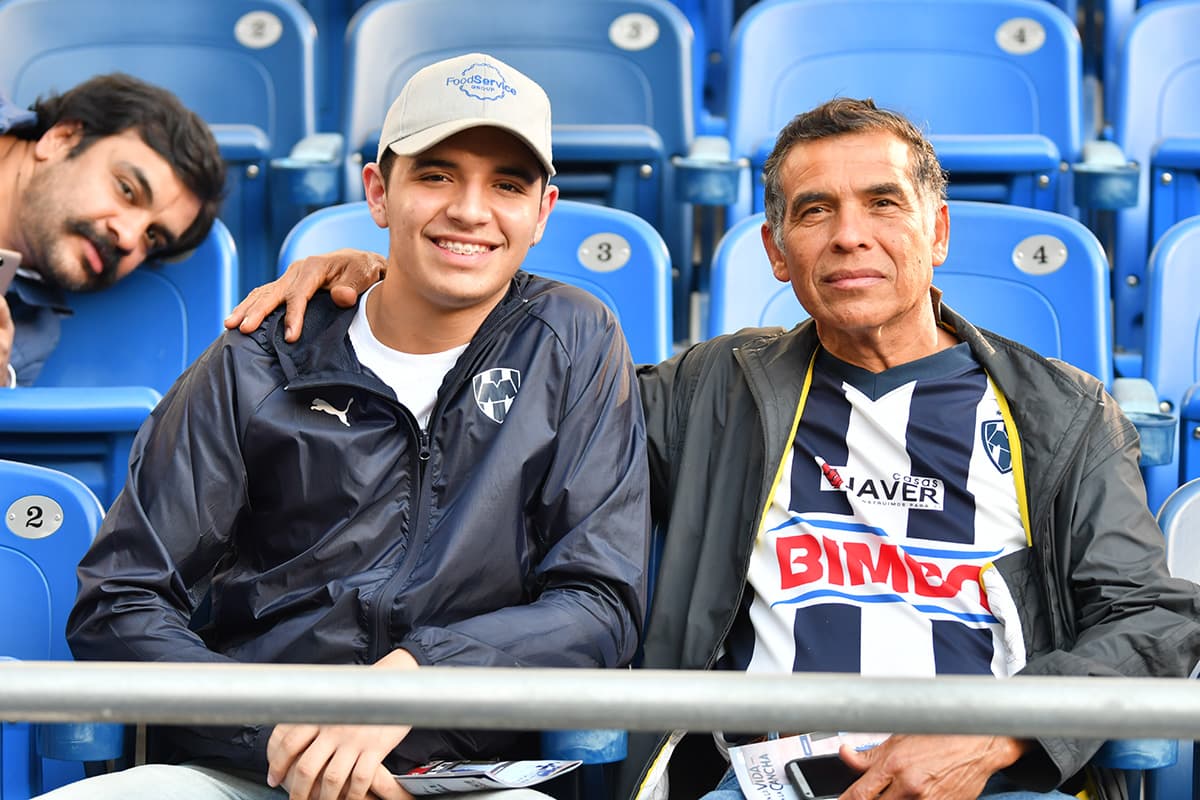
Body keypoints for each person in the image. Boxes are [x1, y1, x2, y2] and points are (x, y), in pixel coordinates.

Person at [223, 97, 1200, 800]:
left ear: (936, 230)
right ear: (776, 253)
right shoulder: (713, 388)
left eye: (882, 204)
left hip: (980, 779)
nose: (848, 235)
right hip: (751, 775)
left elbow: (1153, 622)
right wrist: (392, 283)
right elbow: (538, 413)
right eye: (812, 211)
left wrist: (993, 735)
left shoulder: (1060, 412)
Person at [42, 53, 648, 800]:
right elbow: (121, 600)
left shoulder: (573, 338)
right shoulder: (259, 357)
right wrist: (287, 730)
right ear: (377, 192)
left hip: (459, 777)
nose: (469, 208)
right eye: (435, 174)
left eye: (508, 185)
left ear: (542, 212)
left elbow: (598, 601)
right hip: (246, 768)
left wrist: (417, 678)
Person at [0, 72, 224, 387]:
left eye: (152, 237)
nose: (129, 239)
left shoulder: (26, 339)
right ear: (62, 139)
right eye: (127, 190)